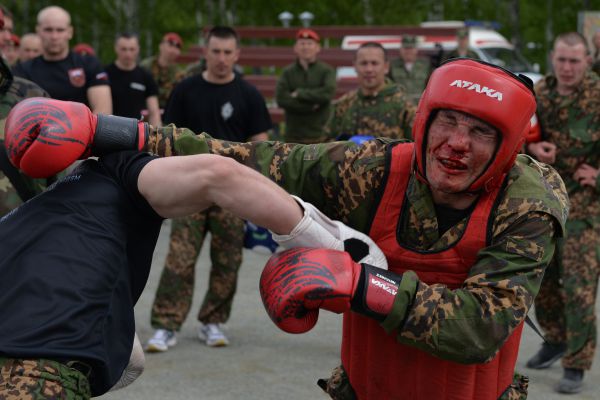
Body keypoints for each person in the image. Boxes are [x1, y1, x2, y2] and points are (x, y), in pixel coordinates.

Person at [16, 57, 570, 398]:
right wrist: (112, 132)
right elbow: (259, 159)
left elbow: (482, 327)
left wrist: (361, 286)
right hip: (366, 388)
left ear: (506, 149)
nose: (456, 144)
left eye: (480, 133)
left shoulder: (527, 202)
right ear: (425, 121)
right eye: (447, 121)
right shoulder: (380, 169)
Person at [2, 91, 386, 399]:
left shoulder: (16, 224)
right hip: (38, 373)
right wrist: (332, 241)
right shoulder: (115, 172)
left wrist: (115, 342)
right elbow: (217, 174)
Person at [145, 25, 272, 351]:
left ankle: (213, 322)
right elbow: (169, 141)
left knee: (227, 259)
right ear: (205, 52)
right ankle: (165, 324)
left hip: (233, 192)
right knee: (180, 259)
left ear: (237, 55)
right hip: (190, 188)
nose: (221, 58)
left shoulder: (249, 95)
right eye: (215, 51)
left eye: (228, 52)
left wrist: (260, 188)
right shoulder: (186, 90)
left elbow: (262, 147)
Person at [525, 32, 600, 394]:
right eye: (562, 60)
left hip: (587, 204)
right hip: (546, 196)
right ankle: (555, 339)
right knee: (542, 276)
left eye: (575, 61)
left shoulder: (598, 95)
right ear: (553, 58)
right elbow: (518, 133)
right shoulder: (540, 93)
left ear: (588, 61)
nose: (567, 68)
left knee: (578, 286)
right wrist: (533, 146)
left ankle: (577, 362)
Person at [13, 5, 111, 114]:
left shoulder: (89, 64)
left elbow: (103, 112)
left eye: (60, 30)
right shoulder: (23, 70)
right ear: (38, 31)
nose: (54, 36)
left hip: (82, 130)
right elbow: (16, 113)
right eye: (48, 30)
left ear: (70, 32)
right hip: (38, 130)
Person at [0, 9, 51, 217]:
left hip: (23, 237)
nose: (6, 38)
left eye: (5, 29)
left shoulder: (30, 96)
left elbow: (62, 182)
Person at [325, 42, 415, 140]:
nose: (369, 69)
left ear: (386, 67)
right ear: (355, 66)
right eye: (363, 63)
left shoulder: (404, 105)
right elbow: (328, 144)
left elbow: (415, 148)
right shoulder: (343, 104)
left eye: (374, 63)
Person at [275, 28, 336, 144]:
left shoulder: (326, 71)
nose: (306, 47)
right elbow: (281, 98)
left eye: (309, 43)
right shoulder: (287, 72)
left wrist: (299, 94)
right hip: (293, 137)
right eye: (302, 43)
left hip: (320, 135)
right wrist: (310, 106)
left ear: (318, 47)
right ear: (295, 48)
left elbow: (327, 93)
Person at [105, 32, 161, 127]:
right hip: (110, 129)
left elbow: (154, 112)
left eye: (132, 49)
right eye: (124, 49)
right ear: (116, 48)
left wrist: (157, 136)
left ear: (138, 49)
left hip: (136, 132)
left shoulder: (146, 76)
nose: (128, 53)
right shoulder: (105, 74)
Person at [140, 32, 182, 110]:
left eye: (177, 47)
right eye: (170, 45)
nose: (173, 50)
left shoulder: (180, 75)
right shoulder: (145, 66)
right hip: (143, 111)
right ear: (161, 45)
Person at [389, 34, 431, 103]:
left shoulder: (426, 65)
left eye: (411, 48)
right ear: (401, 50)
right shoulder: (392, 65)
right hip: (399, 104)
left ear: (416, 50)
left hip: (419, 105)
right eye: (406, 48)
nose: (408, 51)